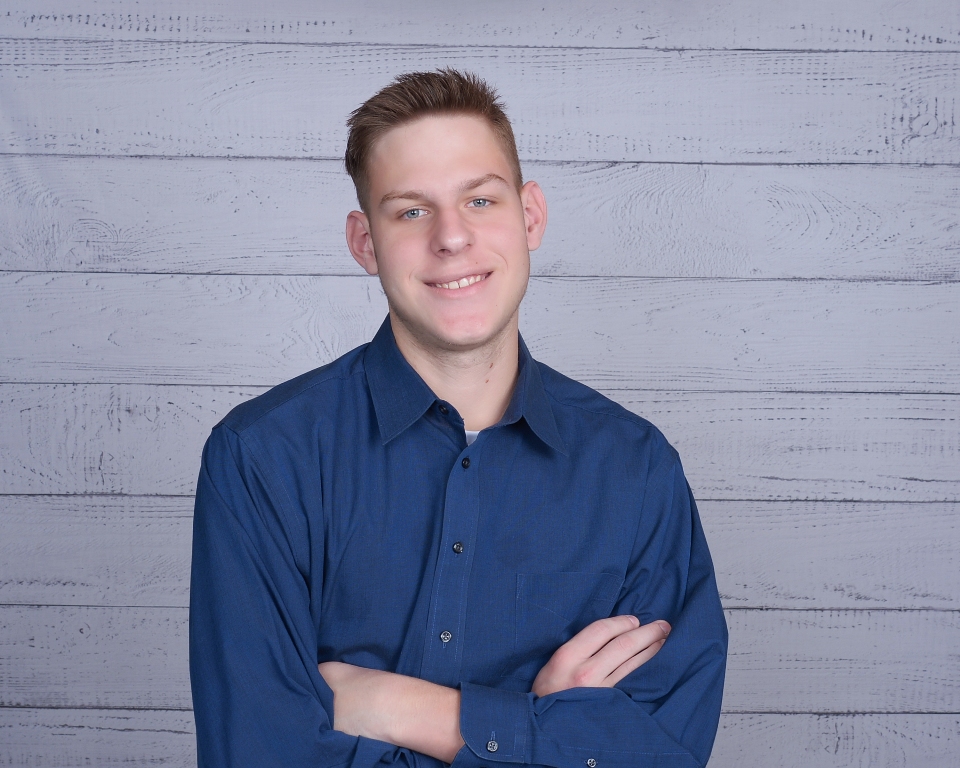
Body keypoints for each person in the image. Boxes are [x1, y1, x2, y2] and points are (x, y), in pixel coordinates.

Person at [190, 69, 727, 768]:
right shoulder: (261, 459)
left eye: (479, 200)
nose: (451, 237)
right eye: (412, 211)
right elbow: (260, 753)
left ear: (529, 217)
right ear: (364, 242)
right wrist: (544, 727)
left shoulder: (635, 468)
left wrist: (405, 709)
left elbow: (659, 753)